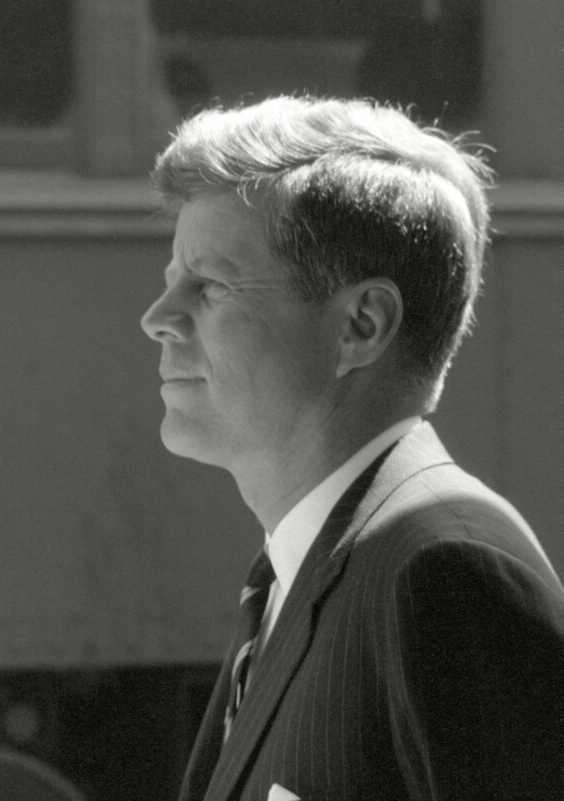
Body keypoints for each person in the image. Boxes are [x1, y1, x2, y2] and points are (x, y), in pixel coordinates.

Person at [139, 95, 564, 800]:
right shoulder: (304, 569)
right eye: (171, 283)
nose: (158, 319)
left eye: (209, 285)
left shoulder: (445, 572)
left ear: (362, 324)